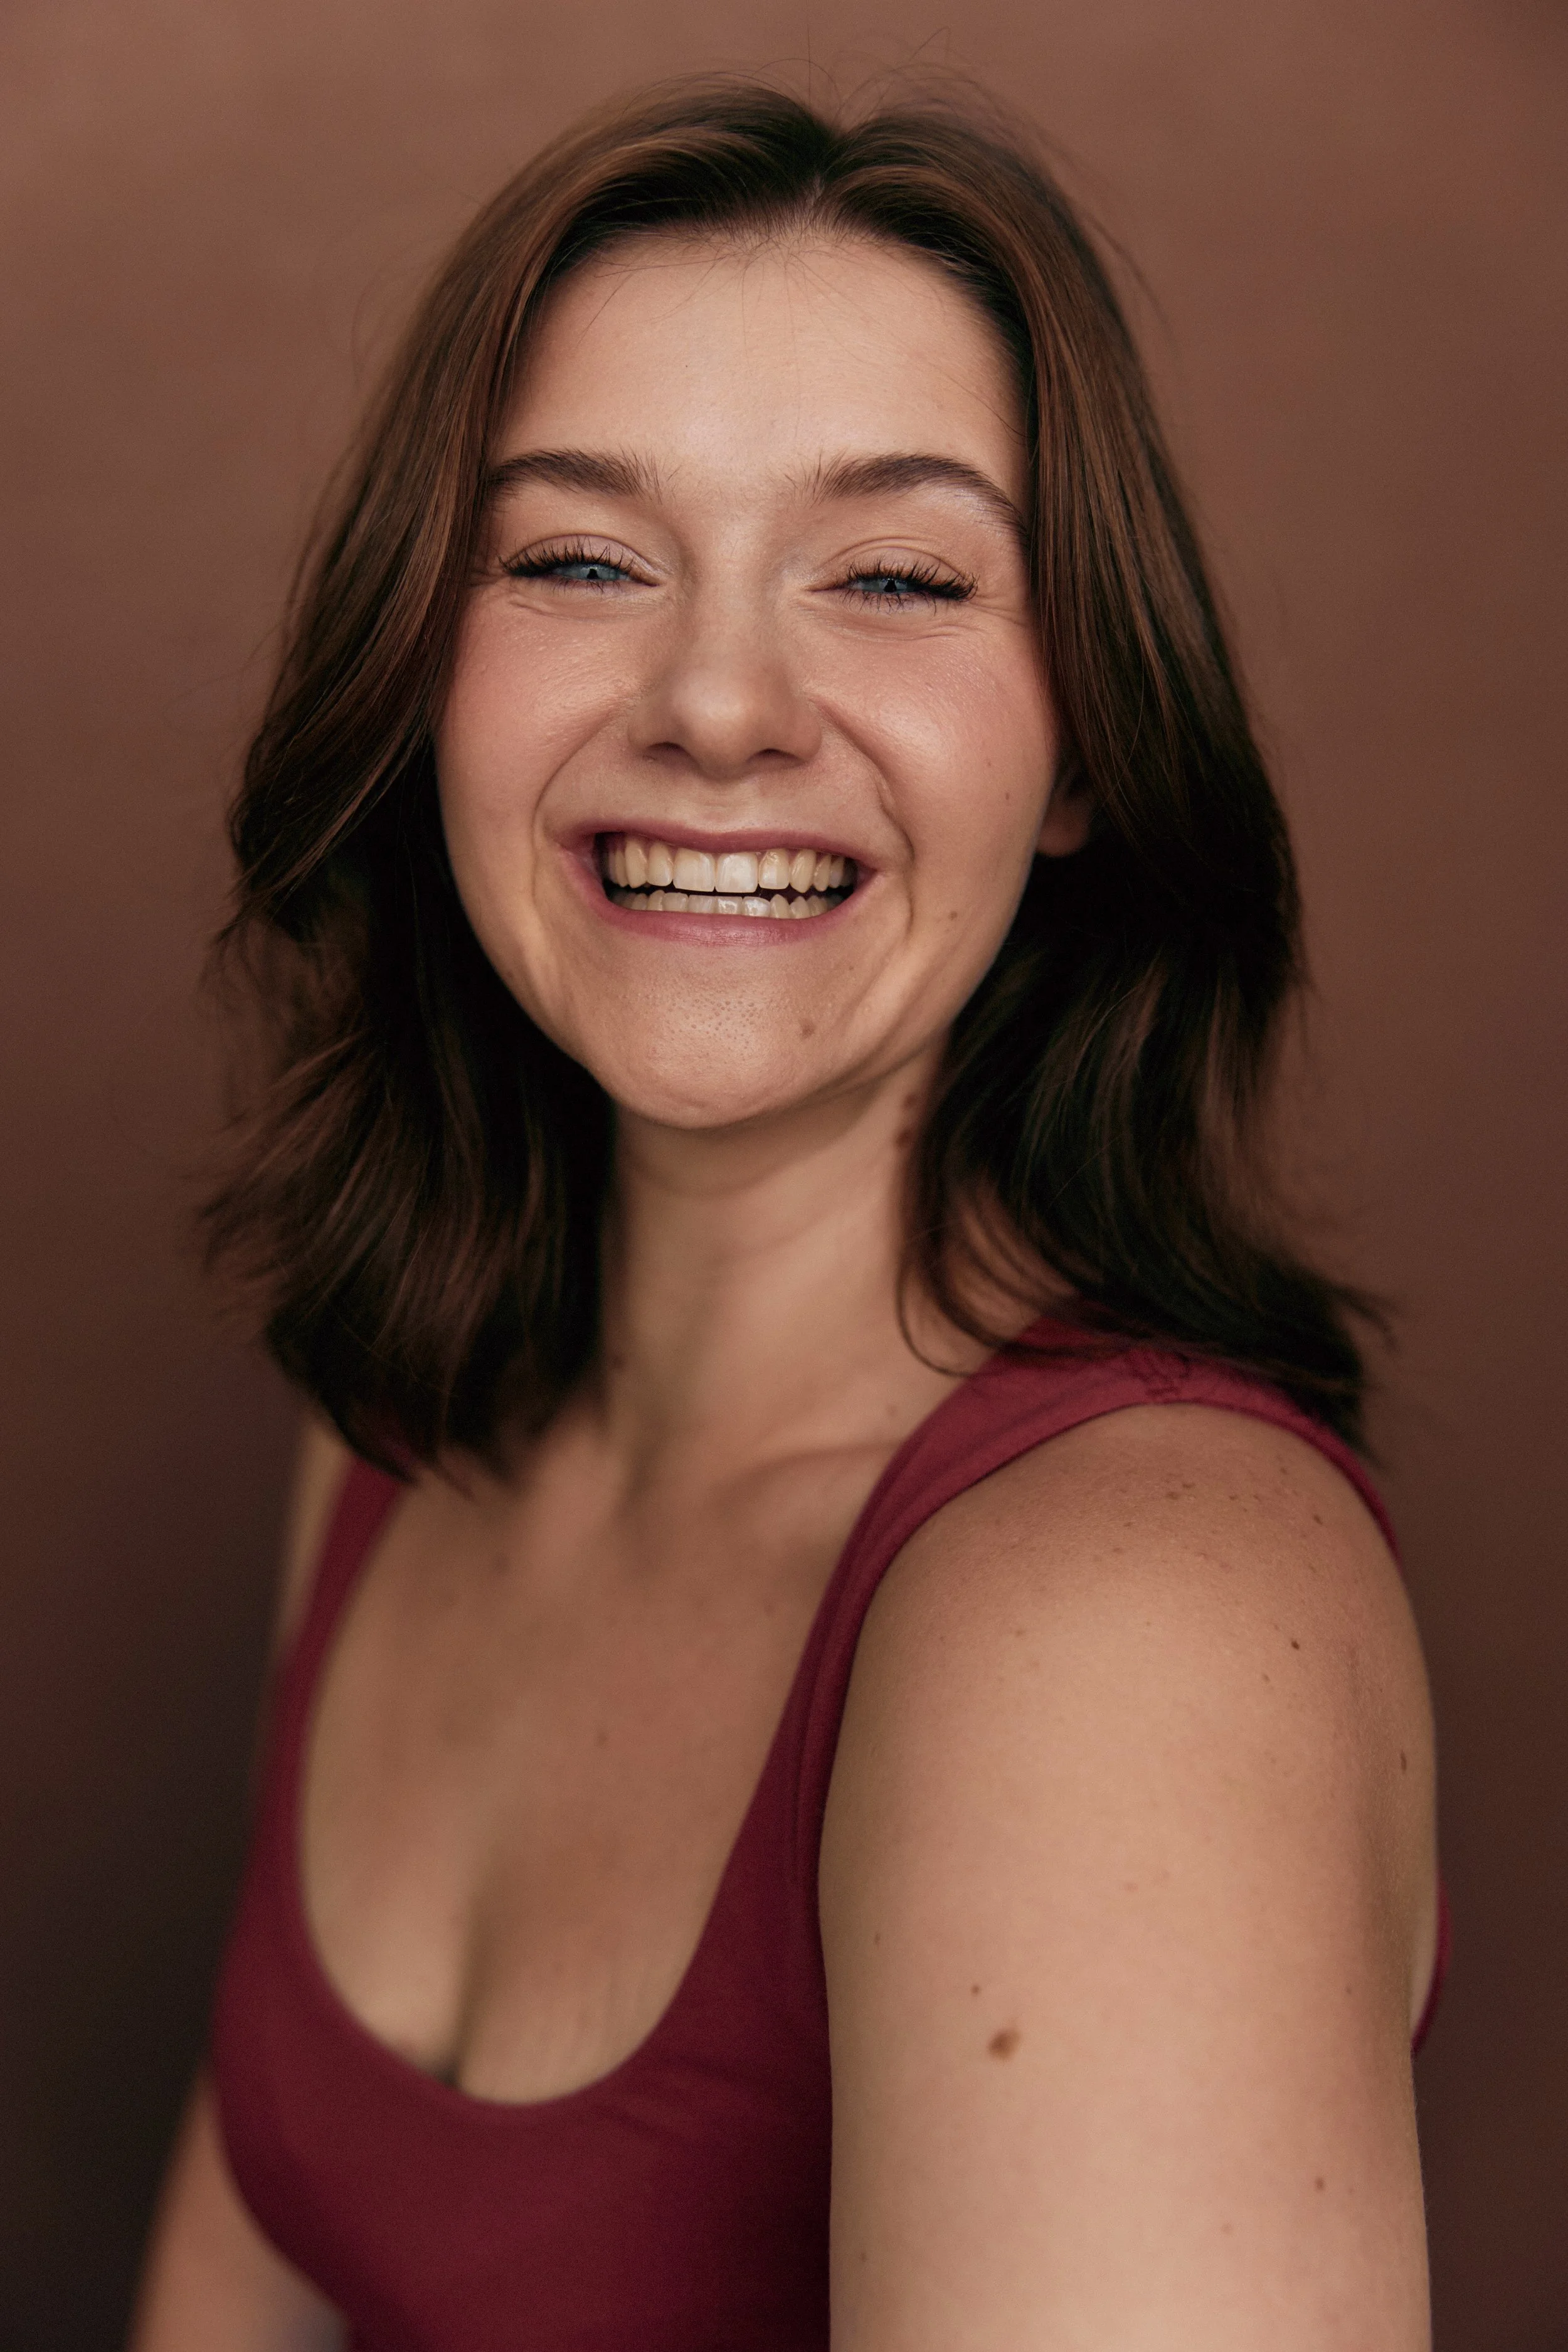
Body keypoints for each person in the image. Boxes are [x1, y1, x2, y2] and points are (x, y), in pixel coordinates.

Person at [129, 75, 1441, 2350]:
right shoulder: (394, 1423)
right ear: (423, 676)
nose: (720, 705)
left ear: (1087, 744)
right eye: (576, 559)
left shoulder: (1126, 1620)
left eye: (898, 576)